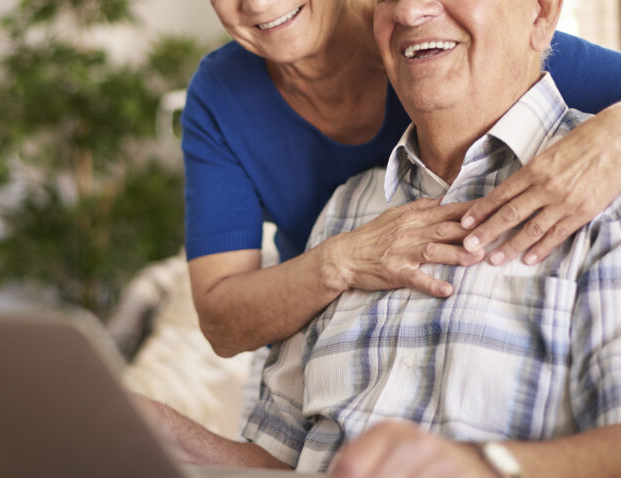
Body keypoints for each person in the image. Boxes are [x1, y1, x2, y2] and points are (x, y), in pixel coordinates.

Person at [146, 0, 621, 476]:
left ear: (541, 14)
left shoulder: (601, 195)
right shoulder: (344, 210)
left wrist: (486, 467)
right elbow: (277, 460)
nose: (411, 11)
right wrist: (162, 433)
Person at [184, 0, 621, 358]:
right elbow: (222, 319)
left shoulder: (444, 39)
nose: (259, 4)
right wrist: (341, 261)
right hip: (322, 349)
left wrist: (615, 134)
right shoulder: (221, 93)